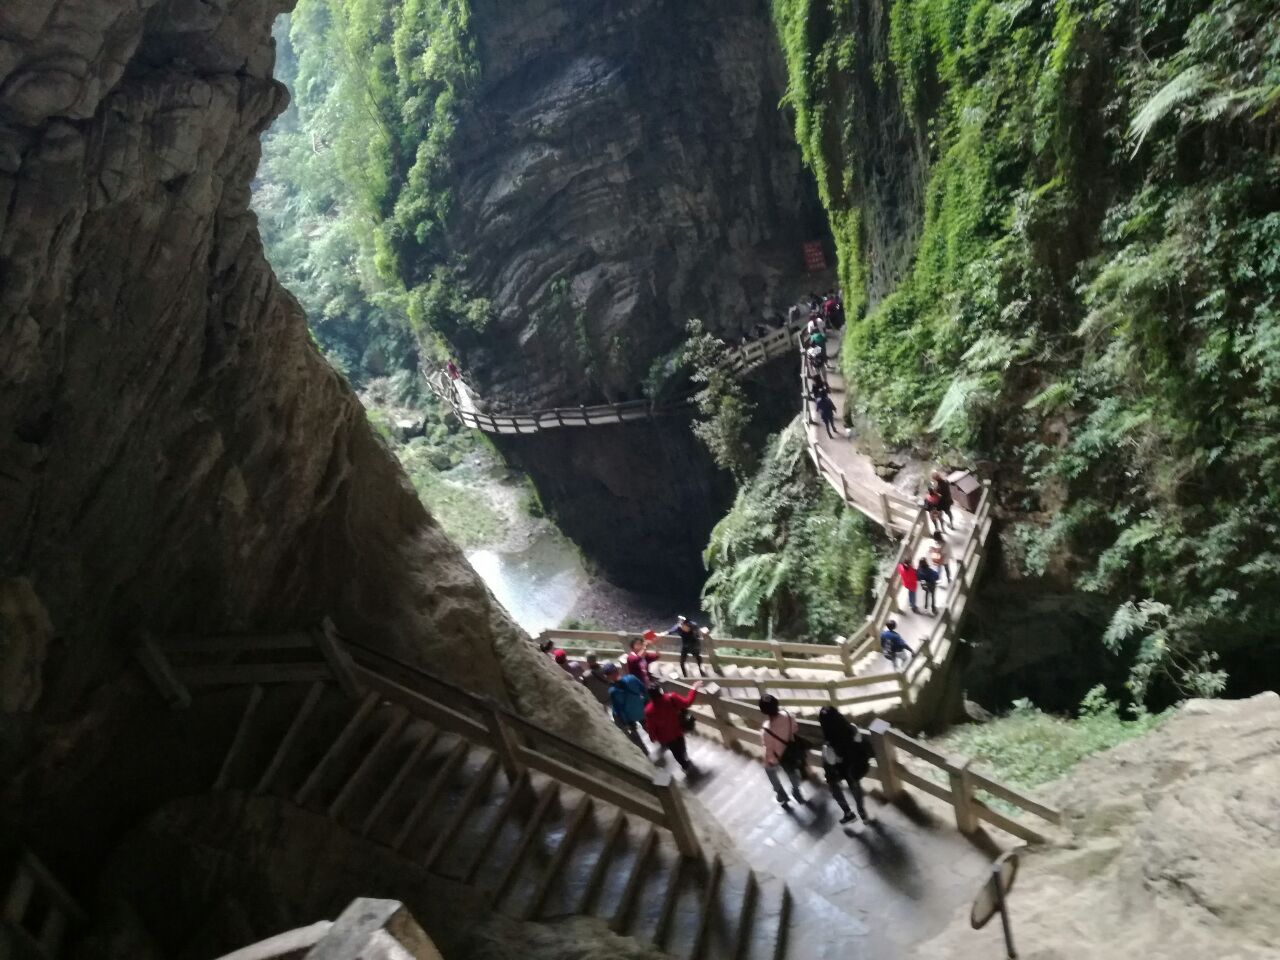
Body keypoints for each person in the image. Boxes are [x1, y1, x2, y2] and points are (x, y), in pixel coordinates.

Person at [818, 706, 874, 825]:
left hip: (840, 769)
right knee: (855, 787)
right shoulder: (852, 728)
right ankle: (862, 813)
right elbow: (859, 741)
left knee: (833, 786)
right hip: (854, 766)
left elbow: (831, 761)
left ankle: (848, 813)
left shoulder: (829, 745)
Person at [645, 681, 702, 772]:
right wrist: (694, 688)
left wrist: (653, 738)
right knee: (682, 746)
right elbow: (687, 702)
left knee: (675, 752)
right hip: (678, 730)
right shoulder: (671, 698)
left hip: (666, 737)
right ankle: (684, 758)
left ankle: (684, 764)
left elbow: (651, 727)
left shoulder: (649, 710)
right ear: (660, 691)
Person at [759, 694, 805, 806]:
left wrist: (769, 761)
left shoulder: (766, 729)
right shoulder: (788, 715)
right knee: (792, 772)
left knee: (769, 769)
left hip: (778, 757)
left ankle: (780, 793)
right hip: (791, 752)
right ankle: (796, 791)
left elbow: (769, 750)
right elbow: (795, 728)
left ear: (764, 711)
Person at [605, 662, 650, 757]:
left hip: (629, 717)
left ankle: (645, 752)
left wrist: (624, 722)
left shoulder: (613, 691)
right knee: (647, 726)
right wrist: (645, 702)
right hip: (640, 709)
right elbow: (644, 691)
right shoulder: (631, 678)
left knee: (635, 735)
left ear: (608, 677)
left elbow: (619, 709)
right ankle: (659, 739)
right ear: (617, 671)